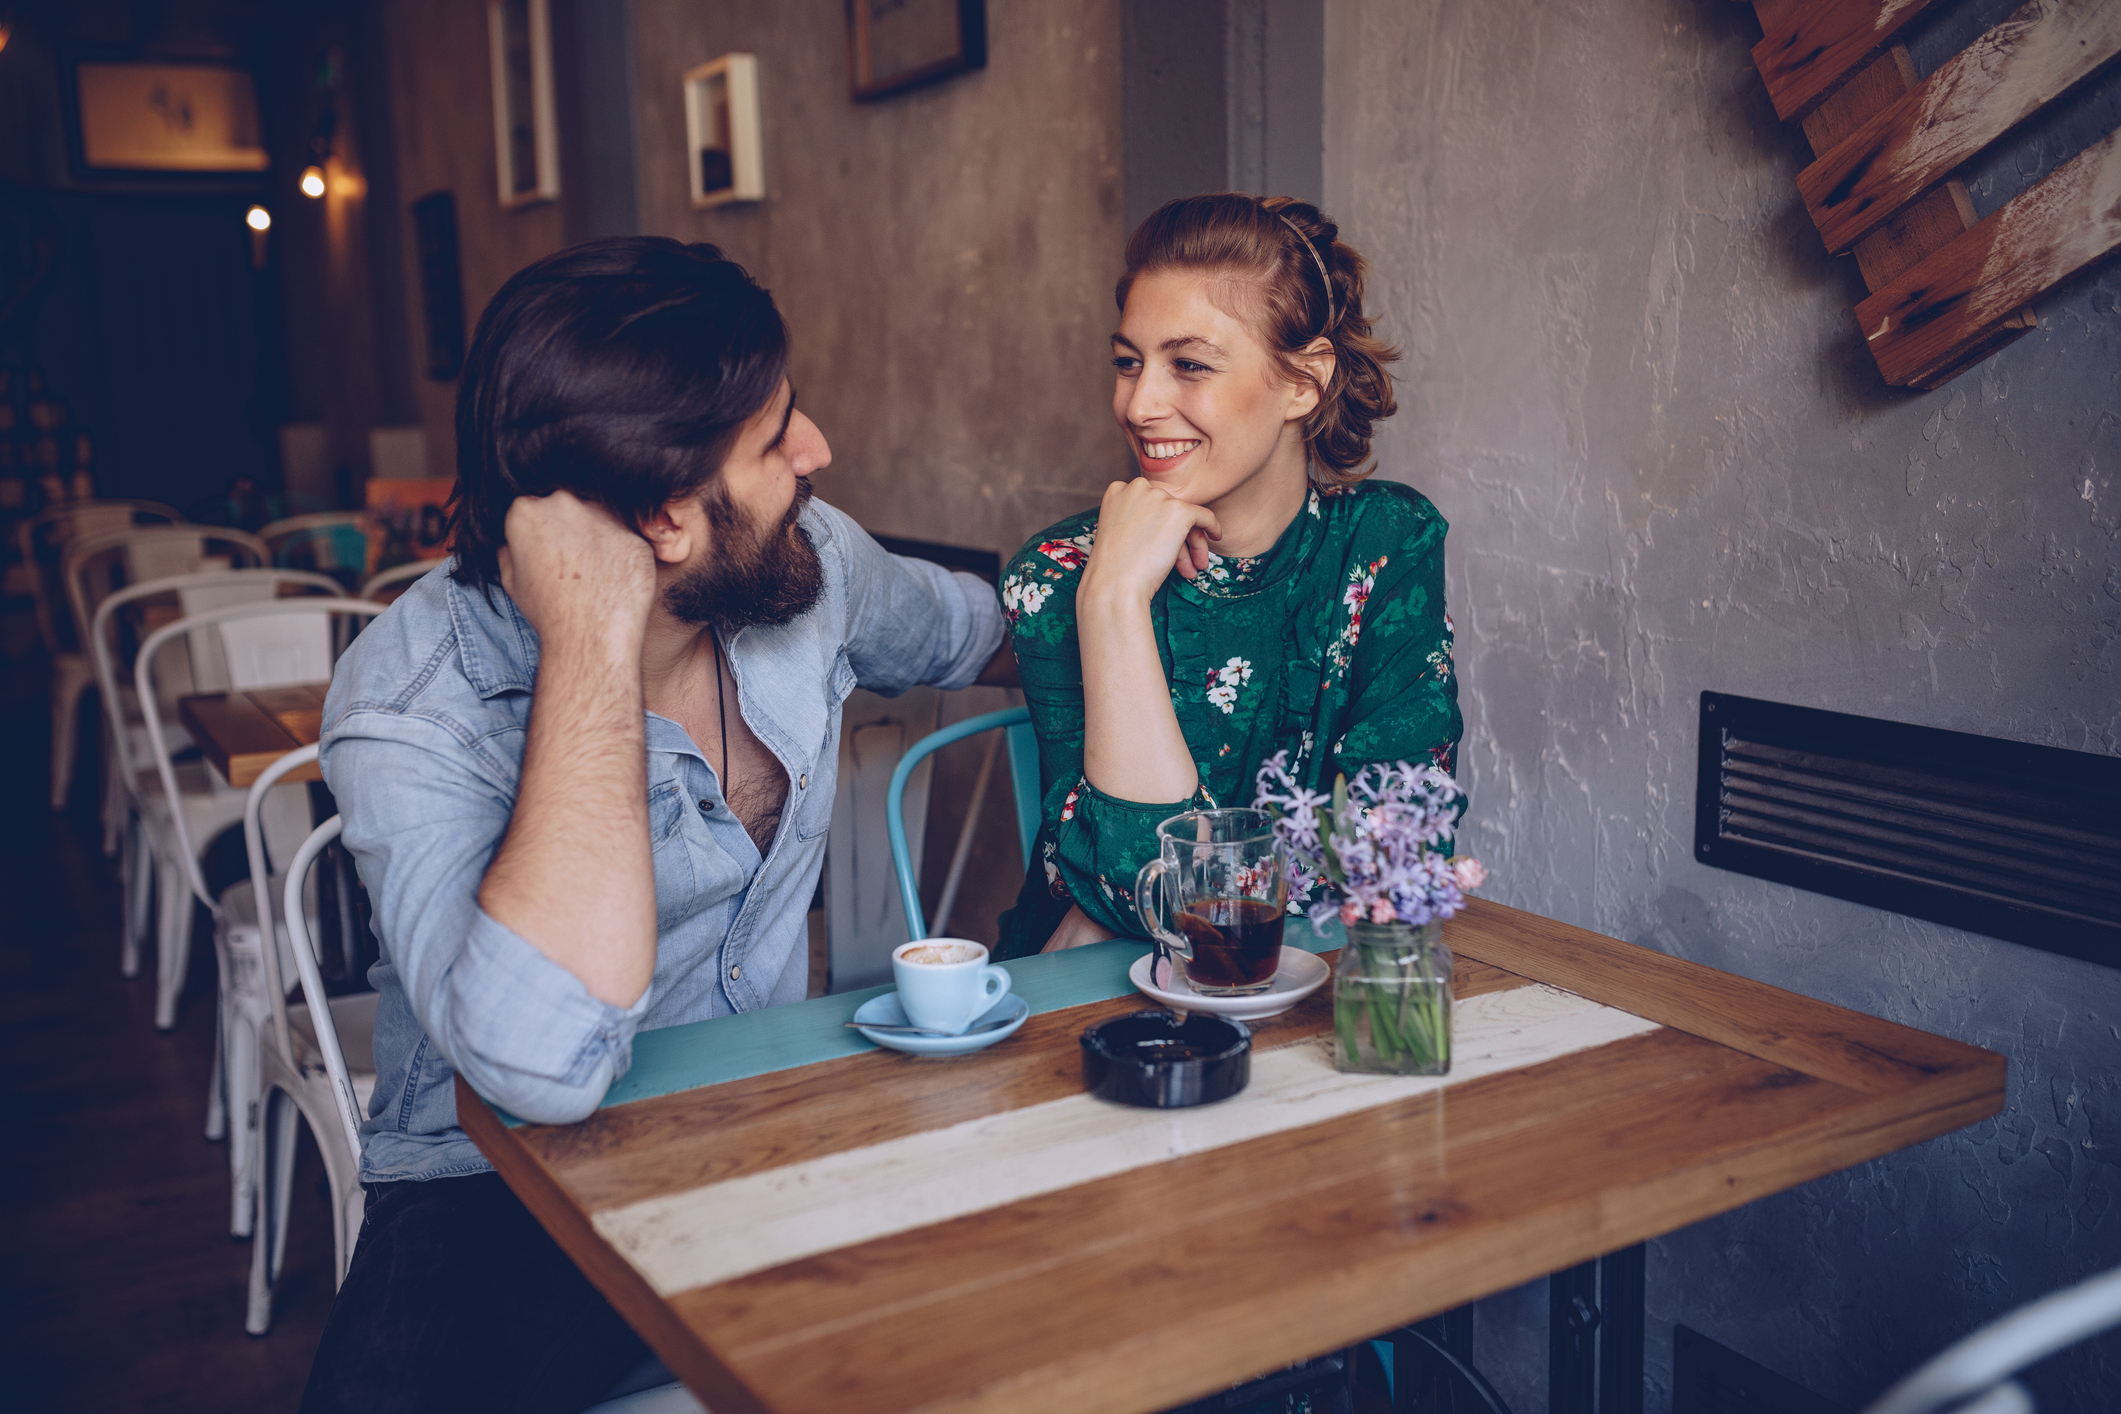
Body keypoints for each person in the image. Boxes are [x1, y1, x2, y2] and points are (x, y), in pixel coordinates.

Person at [302, 237, 1007, 1412]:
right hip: (493, 1191)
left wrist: (1192, 598)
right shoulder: (413, 703)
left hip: (777, 1120)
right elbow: (540, 1063)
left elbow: (989, 633)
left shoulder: (812, 565)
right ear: (663, 519)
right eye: (779, 435)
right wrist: (592, 634)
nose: (819, 451)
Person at [995, 194, 1463, 958]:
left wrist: (1145, 902)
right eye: (1127, 362)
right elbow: (1130, 886)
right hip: (1081, 1002)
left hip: (1319, 993)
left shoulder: (1385, 545)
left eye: (1188, 365)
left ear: (1302, 382)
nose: (1139, 404)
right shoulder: (1059, 575)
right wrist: (1112, 601)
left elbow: (1398, 858)